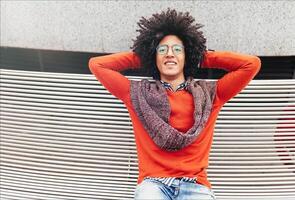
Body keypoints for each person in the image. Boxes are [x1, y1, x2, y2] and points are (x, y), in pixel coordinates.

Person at [89, 8, 261, 200]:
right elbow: (97, 65)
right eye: (162, 50)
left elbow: (251, 64)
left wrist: (197, 57)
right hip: (153, 184)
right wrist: (147, 57)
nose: (170, 54)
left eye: (177, 50)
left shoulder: (211, 95)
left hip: (195, 184)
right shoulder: (137, 95)